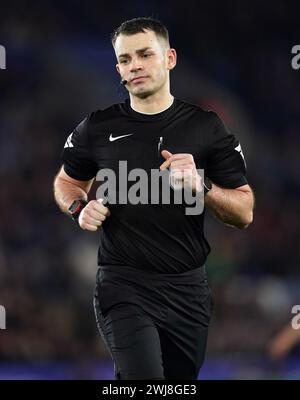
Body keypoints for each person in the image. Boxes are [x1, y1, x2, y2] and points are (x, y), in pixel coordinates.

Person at [53, 17, 254, 380]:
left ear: (170, 58)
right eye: (126, 59)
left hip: (188, 290)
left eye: (145, 54)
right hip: (123, 285)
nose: (136, 66)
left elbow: (244, 212)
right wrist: (78, 208)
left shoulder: (207, 127)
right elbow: (67, 181)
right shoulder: (97, 127)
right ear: (118, 69)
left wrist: (202, 186)